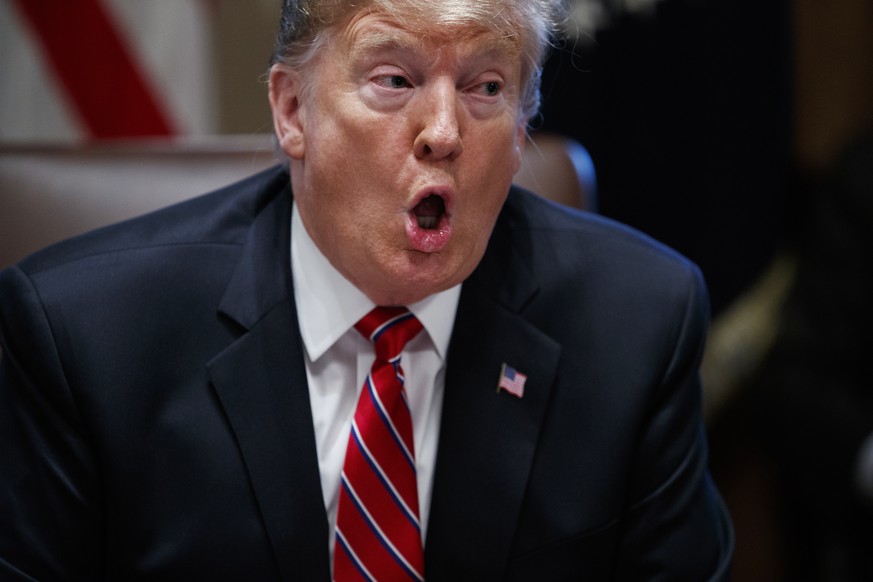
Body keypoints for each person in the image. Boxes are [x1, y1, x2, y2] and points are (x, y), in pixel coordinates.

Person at [0, 0, 733, 579]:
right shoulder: (86, 336)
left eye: (485, 87)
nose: (443, 131)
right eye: (394, 80)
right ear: (293, 112)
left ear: (519, 133)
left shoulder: (638, 321)